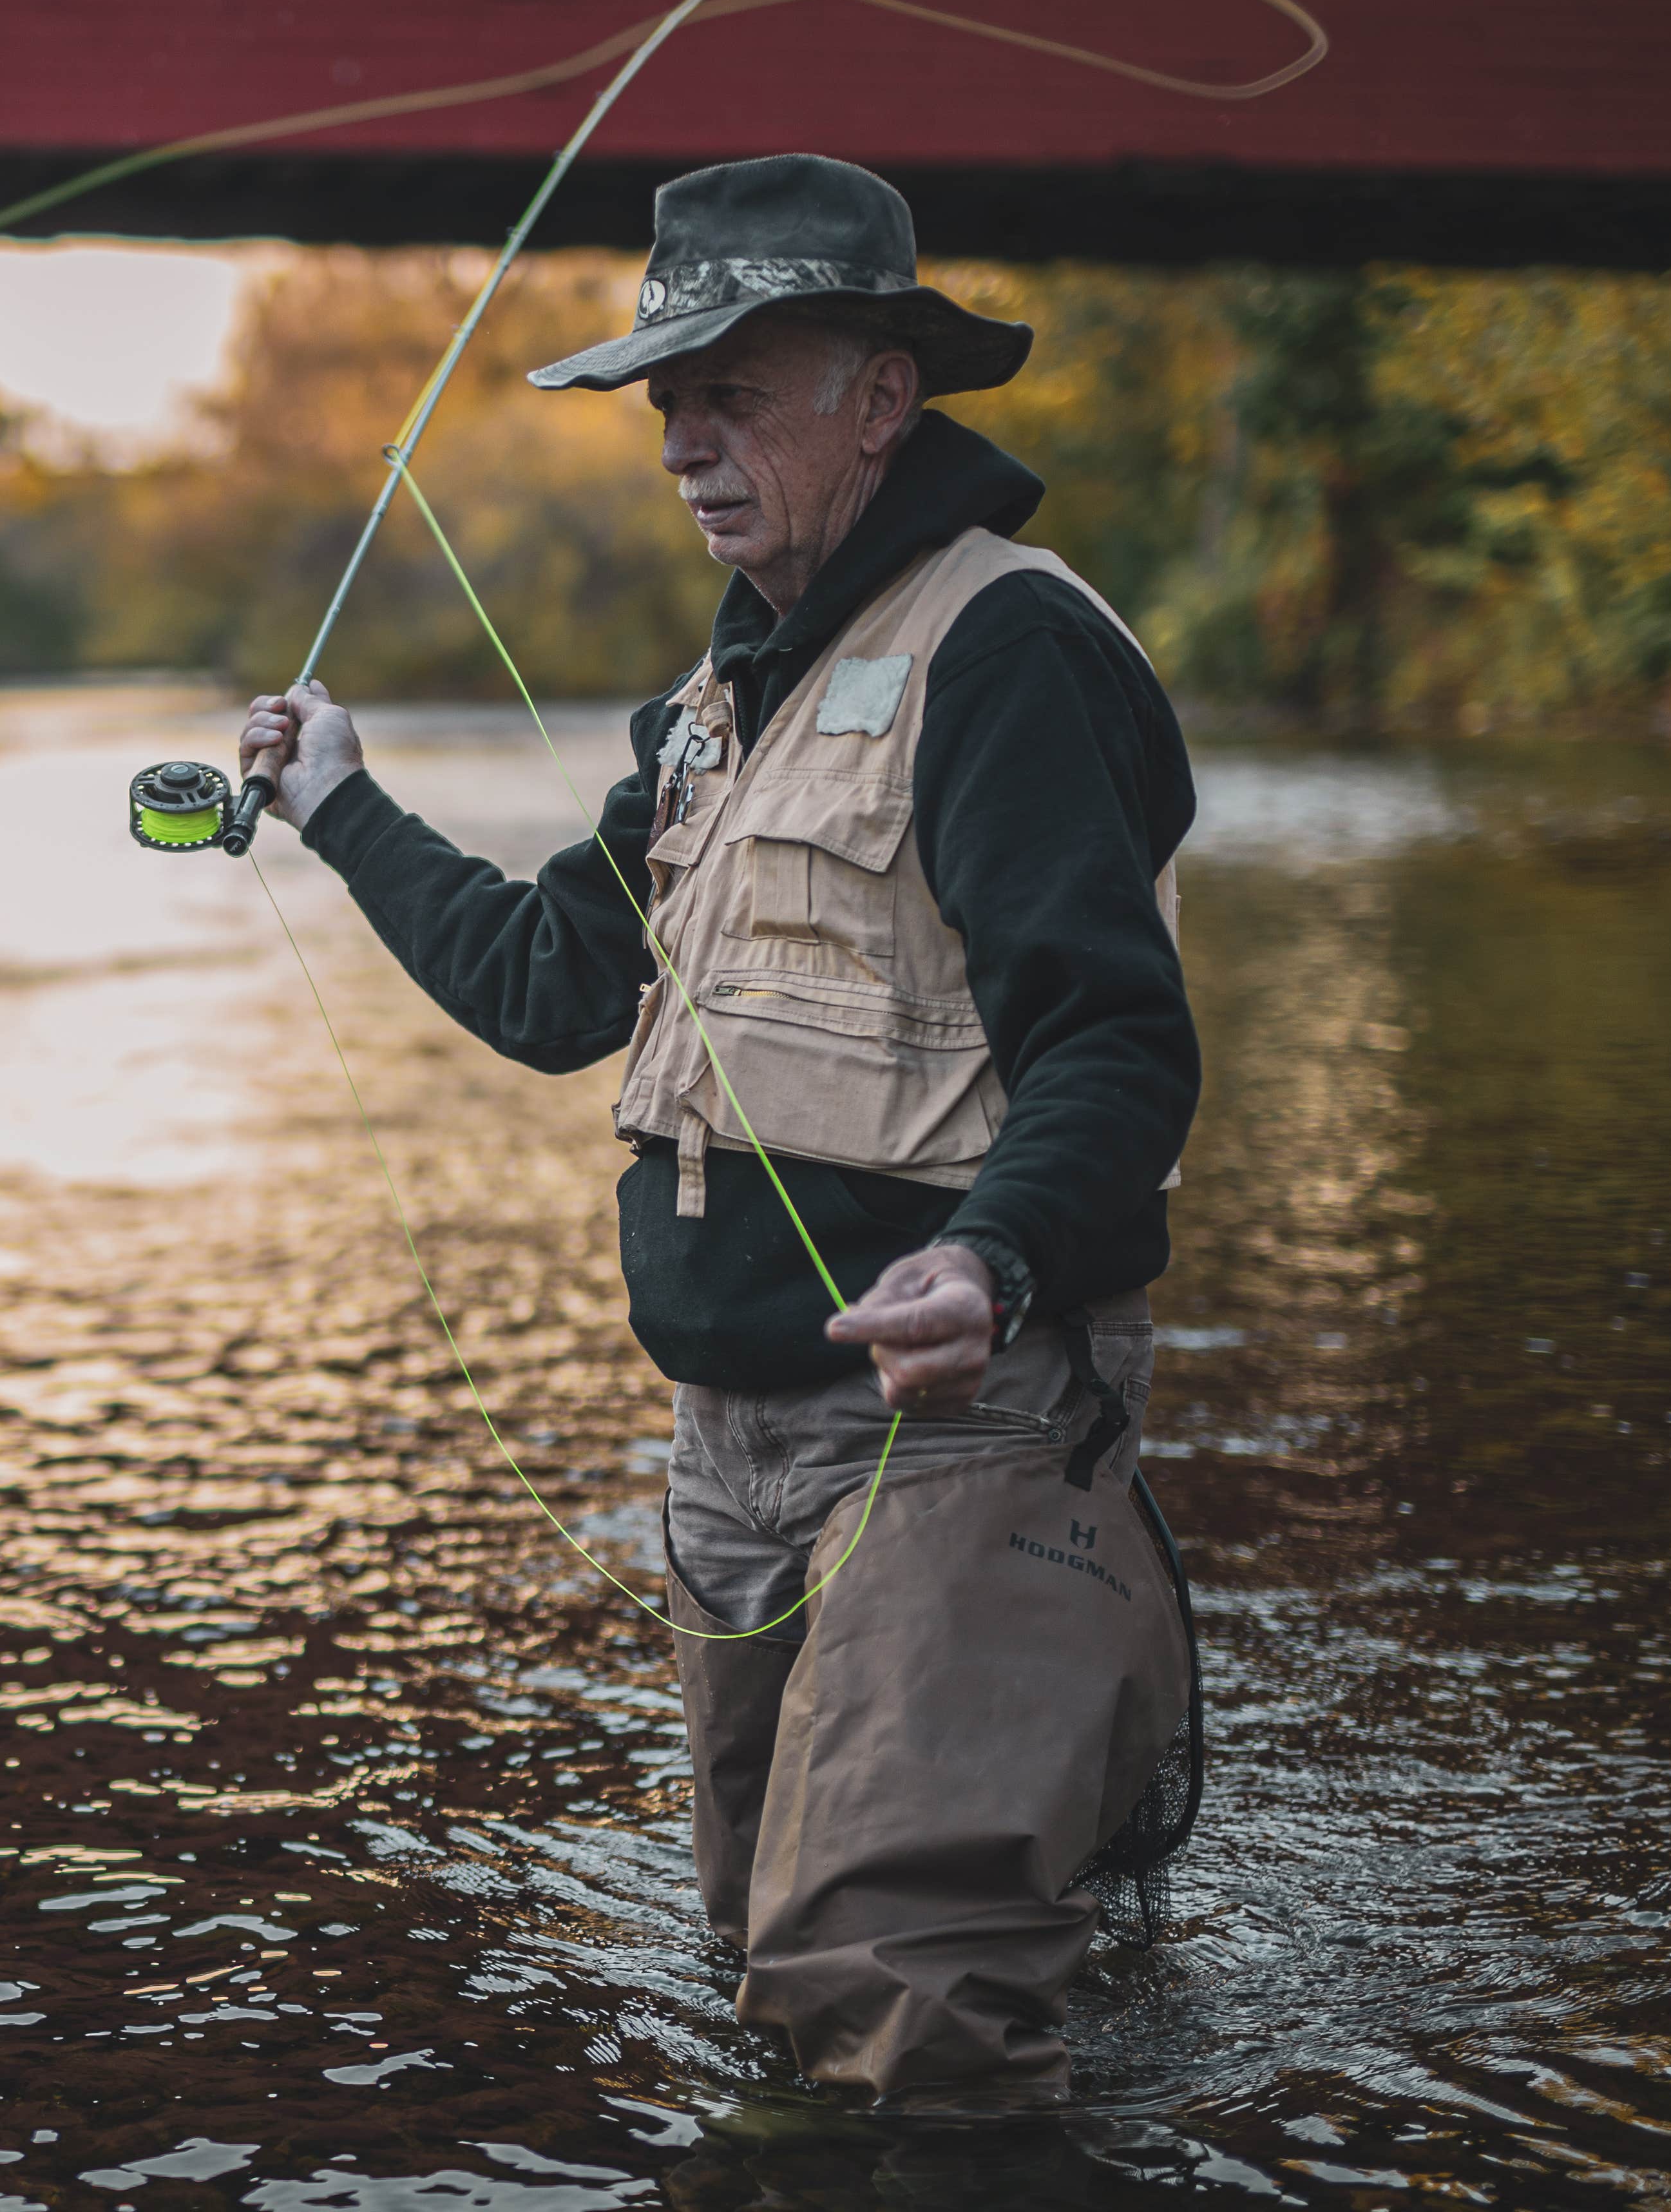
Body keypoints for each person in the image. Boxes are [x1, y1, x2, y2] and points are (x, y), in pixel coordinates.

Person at [236, 155, 1199, 2110]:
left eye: (736, 388)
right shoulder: (718, 701)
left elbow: (1117, 1041)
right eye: (666, 396)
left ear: (885, 399)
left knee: (906, 2008)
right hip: (731, 1451)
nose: (683, 438)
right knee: (767, 1970)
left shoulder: (1007, 650)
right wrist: (339, 804)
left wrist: (986, 1260)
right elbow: (542, 984)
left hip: (957, 1420)